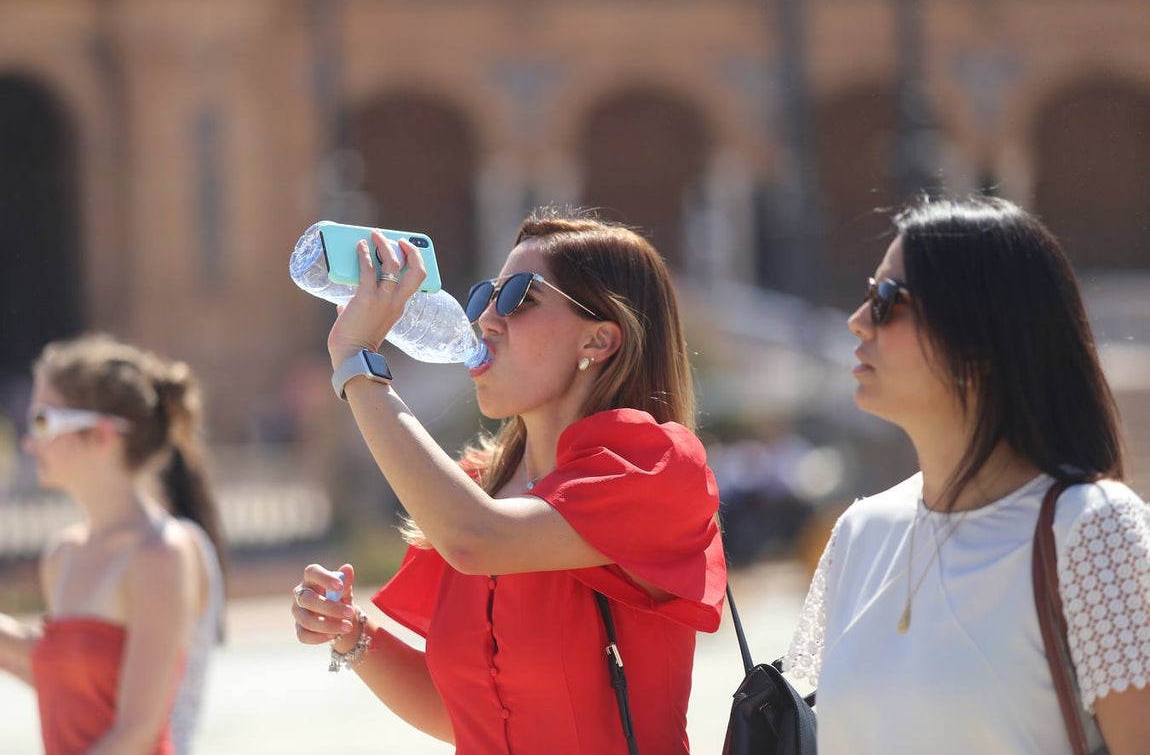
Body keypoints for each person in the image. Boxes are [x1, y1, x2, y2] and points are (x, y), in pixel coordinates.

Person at [290, 208, 726, 754]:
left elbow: (478, 540)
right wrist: (351, 632)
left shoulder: (655, 465)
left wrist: (357, 363)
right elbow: (466, 717)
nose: (487, 320)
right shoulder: (476, 487)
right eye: (482, 299)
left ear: (598, 341)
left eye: (518, 298)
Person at [784, 195, 1150, 754]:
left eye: (886, 300)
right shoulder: (859, 533)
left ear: (979, 338)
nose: (858, 323)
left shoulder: (1091, 530)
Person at [0, 335, 226, 755]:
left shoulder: (162, 554)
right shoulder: (61, 555)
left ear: (103, 433)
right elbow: (68, 676)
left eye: (43, 421)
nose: (30, 442)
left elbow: (139, 731)